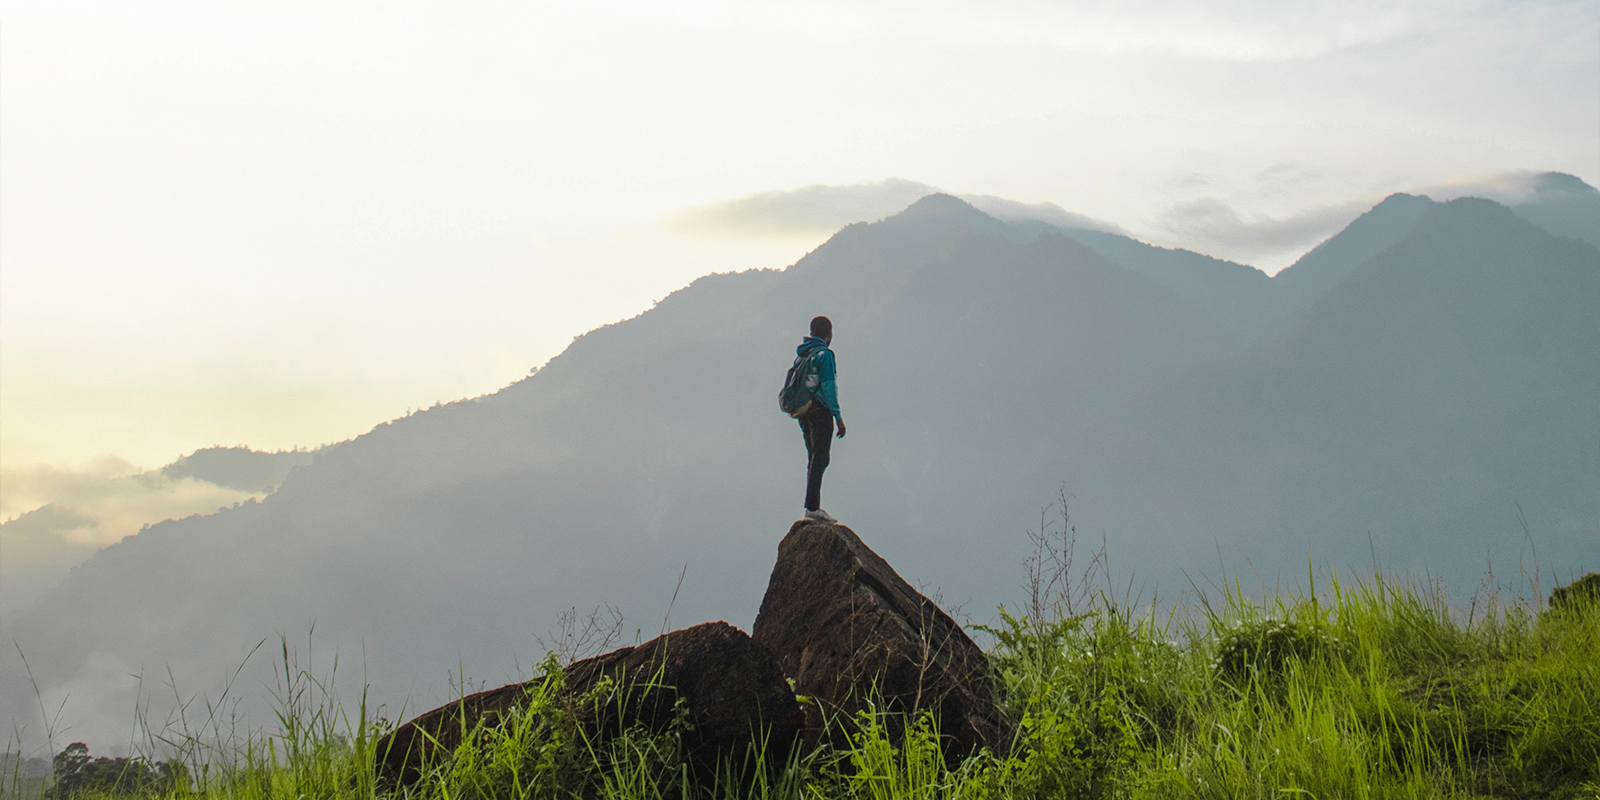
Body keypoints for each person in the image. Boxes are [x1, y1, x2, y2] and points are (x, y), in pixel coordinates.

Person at [796, 316, 845, 523]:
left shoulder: (803, 355)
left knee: (813, 458)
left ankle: (811, 507)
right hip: (820, 412)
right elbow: (828, 387)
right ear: (829, 333)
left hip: (804, 413)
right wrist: (838, 416)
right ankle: (813, 508)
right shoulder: (825, 355)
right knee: (821, 458)